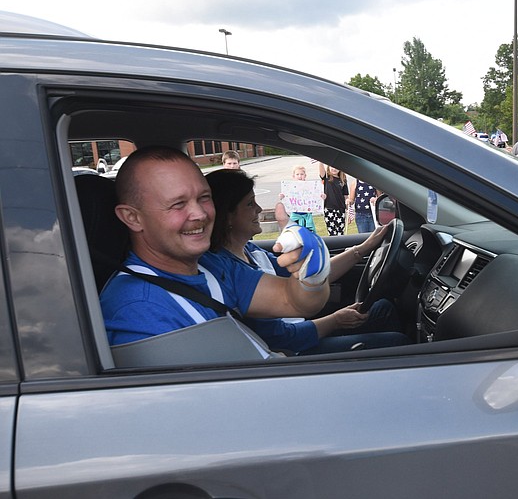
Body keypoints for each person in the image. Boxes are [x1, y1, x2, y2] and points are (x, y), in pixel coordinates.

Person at [101, 146, 331, 349]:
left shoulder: (212, 264)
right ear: (132, 217)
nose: (200, 214)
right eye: (178, 204)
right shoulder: (138, 309)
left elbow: (294, 301)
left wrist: (312, 275)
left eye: (204, 197)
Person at [205, 169, 409, 354]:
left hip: (299, 331)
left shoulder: (251, 251)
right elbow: (284, 337)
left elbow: (308, 275)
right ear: (227, 215)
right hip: (292, 351)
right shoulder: (227, 269)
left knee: (382, 307)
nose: (259, 209)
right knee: (396, 342)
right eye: (250, 204)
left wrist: (362, 248)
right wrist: (336, 320)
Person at [278, 164, 318, 233]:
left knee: (308, 235)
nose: (300, 176)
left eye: (302, 174)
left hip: (306, 216)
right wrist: (282, 196)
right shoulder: (290, 188)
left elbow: (316, 198)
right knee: (295, 234)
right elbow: (286, 199)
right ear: (293, 176)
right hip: (295, 216)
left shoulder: (309, 187)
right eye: (297, 174)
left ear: (305, 176)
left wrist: (321, 197)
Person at [318, 163, 348, 235]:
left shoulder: (343, 180)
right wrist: (320, 161)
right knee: (331, 230)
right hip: (329, 208)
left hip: (340, 209)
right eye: (332, 167)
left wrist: (347, 206)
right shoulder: (326, 177)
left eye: (336, 168)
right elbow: (321, 170)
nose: (334, 169)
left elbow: (345, 195)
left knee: (340, 231)